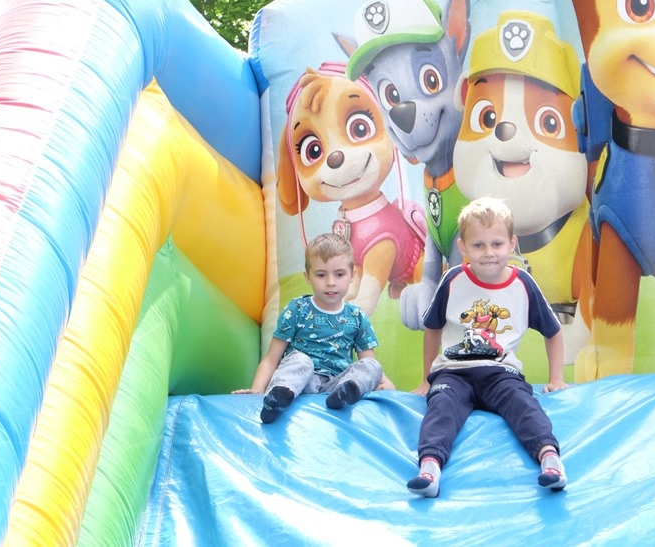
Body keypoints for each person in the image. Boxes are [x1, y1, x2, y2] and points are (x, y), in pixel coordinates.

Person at [407, 197, 568, 498]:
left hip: (500, 373)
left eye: (497, 244)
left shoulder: (523, 284)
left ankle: (549, 459)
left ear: (512, 244)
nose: (489, 253)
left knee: (524, 405)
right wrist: (427, 377)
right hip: (454, 373)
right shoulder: (453, 280)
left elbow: (553, 331)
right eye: (478, 245)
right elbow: (432, 328)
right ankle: (429, 467)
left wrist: (556, 378)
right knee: (441, 409)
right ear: (463, 247)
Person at [234, 232, 393, 423]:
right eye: (321, 275)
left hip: (335, 387)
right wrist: (257, 391)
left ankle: (345, 395)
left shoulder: (357, 316)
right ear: (308, 277)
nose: (331, 282)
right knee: (301, 360)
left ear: (352, 275)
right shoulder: (297, 309)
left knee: (373, 366)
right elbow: (271, 359)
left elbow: (369, 362)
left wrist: (389, 388)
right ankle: (279, 398)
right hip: (301, 384)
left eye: (339, 274)